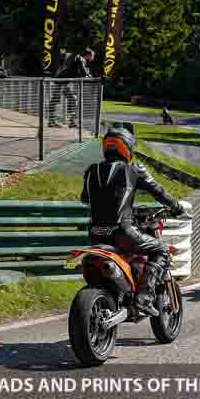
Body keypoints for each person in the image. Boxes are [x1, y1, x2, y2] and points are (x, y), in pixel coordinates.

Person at [81, 127, 187, 317]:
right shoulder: (135, 169)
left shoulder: (91, 171)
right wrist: (177, 207)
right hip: (123, 233)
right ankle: (144, 298)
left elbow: (85, 199)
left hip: (96, 235)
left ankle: (121, 294)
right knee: (162, 250)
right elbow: (159, 192)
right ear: (128, 148)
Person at [48, 48, 94, 128]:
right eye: (92, 56)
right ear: (88, 55)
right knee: (56, 99)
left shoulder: (76, 58)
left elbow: (77, 72)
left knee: (72, 99)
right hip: (61, 81)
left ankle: (71, 121)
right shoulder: (81, 59)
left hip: (63, 81)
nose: (92, 58)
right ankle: (52, 121)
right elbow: (84, 73)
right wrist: (90, 77)